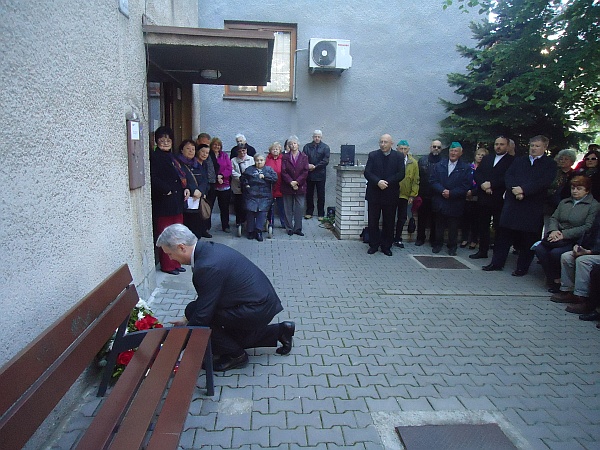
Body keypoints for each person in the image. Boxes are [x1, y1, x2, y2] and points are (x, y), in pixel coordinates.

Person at [156, 224, 295, 372]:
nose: (170, 259)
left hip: (256, 310)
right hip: (258, 304)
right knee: (196, 314)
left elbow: (203, 316)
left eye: (170, 254)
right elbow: (208, 296)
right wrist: (186, 320)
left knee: (202, 322)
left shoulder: (206, 265)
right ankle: (280, 331)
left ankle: (237, 356)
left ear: (181, 247)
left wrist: (176, 347)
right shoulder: (208, 249)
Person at [483, 135, 557, 276]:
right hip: (513, 204)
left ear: (545, 147)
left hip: (531, 206)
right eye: (532, 146)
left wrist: (524, 190)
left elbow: (543, 182)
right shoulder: (519, 161)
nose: (533, 148)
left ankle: (522, 268)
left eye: (537, 146)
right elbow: (509, 176)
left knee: (527, 239)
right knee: (503, 236)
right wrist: (515, 190)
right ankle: (496, 263)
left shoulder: (549, 164)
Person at [535, 175, 599, 292]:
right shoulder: (565, 202)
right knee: (540, 249)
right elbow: (554, 218)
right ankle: (554, 279)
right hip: (557, 236)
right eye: (573, 188)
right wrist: (554, 231)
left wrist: (564, 234)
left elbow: (588, 226)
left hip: (575, 238)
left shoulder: (593, 205)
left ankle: (560, 281)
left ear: (587, 190)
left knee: (556, 253)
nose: (574, 191)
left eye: (579, 188)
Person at [150, 126, 190, 275]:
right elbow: (153, 178)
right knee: (166, 235)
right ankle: (167, 265)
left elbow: (181, 176)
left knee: (177, 234)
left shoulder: (173, 157)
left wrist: (185, 188)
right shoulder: (155, 157)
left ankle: (176, 262)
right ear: (157, 141)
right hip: (164, 202)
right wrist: (166, 189)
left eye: (168, 139)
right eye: (162, 139)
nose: (165, 142)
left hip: (177, 202)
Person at [470, 136, 514, 259]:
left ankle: (497, 254)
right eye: (496, 144)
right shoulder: (487, 158)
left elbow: (508, 177)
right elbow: (478, 173)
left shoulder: (511, 161)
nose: (498, 147)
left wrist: (492, 185)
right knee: (482, 225)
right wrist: (483, 184)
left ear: (507, 146)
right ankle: (482, 251)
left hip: (499, 198)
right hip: (484, 197)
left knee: (498, 226)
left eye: (501, 144)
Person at [551, 210, 600, 315]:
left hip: (595, 252)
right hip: (590, 249)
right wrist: (578, 245)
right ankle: (568, 290)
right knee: (567, 257)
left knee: (583, 261)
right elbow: (588, 231)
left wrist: (589, 252)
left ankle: (582, 297)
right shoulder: (598, 213)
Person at [364, 134, 406, 256]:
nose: (383, 144)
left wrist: (387, 182)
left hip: (390, 194)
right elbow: (367, 172)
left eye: (385, 142)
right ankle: (374, 245)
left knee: (389, 221)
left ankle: (386, 246)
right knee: (373, 221)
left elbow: (401, 174)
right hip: (374, 194)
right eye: (381, 142)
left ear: (391, 143)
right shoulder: (373, 155)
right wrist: (378, 182)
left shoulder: (398, 156)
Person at [429, 142, 473, 255]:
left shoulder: (465, 168)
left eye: (455, 151)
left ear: (461, 153)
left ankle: (452, 247)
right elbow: (433, 181)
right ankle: (437, 244)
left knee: (453, 227)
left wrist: (452, 193)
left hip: (455, 202)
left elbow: (466, 185)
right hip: (440, 200)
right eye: (451, 151)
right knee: (439, 226)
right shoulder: (440, 165)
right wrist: (442, 191)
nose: (453, 153)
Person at [242, 153, 278, 241]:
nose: (259, 162)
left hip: (264, 195)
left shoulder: (269, 170)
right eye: (257, 160)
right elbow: (243, 178)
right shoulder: (249, 169)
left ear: (264, 161)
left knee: (261, 212)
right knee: (250, 211)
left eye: (261, 160)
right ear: (254, 161)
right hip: (251, 194)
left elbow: (275, 179)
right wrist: (246, 185)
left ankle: (258, 231)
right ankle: (250, 231)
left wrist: (265, 176)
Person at [178, 139, 209, 240]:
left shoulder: (197, 164)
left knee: (197, 227)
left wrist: (200, 190)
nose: (191, 151)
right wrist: (192, 190)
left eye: (193, 149)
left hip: (198, 200)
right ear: (182, 150)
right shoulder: (178, 164)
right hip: (186, 201)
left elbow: (205, 180)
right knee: (187, 228)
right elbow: (181, 180)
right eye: (188, 149)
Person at [415, 140, 443, 246]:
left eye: (438, 147)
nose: (436, 149)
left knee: (435, 219)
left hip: (437, 195)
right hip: (423, 194)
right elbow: (417, 178)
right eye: (434, 146)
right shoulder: (422, 160)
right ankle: (420, 238)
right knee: (421, 218)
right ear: (430, 147)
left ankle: (433, 240)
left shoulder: (444, 162)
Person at [281, 135, 309, 236]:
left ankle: (298, 228)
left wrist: (297, 182)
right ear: (288, 145)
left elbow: (305, 171)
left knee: (299, 207)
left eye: (295, 143)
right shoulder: (285, 157)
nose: (293, 145)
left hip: (300, 186)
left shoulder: (304, 156)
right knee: (288, 208)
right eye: (291, 144)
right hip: (287, 185)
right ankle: (289, 228)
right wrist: (291, 182)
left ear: (298, 144)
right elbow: (283, 171)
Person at [460, 146, 488, 250]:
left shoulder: (485, 169)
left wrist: (473, 192)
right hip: (466, 196)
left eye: (483, 155)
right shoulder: (469, 167)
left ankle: (474, 240)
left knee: (476, 220)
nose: (480, 157)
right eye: (478, 155)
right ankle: (464, 238)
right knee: (465, 219)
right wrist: (467, 191)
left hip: (478, 196)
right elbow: (463, 179)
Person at [544, 149, 577, 233]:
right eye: (561, 159)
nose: (563, 161)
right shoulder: (553, 172)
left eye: (566, 159)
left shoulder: (575, 174)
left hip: (566, 206)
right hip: (550, 204)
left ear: (572, 162)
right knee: (548, 227)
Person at [394, 140, 419, 248]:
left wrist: (413, 195)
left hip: (405, 195)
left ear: (408, 149)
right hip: (392, 193)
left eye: (405, 149)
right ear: (397, 149)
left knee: (402, 217)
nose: (403, 151)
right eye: (401, 148)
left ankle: (398, 238)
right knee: (389, 216)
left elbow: (415, 180)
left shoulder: (413, 162)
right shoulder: (393, 160)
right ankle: (388, 237)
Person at [302, 130, 330, 220]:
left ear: (321, 137)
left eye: (318, 136)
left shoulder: (325, 147)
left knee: (321, 195)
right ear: (312, 137)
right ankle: (309, 212)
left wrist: (316, 167)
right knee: (309, 194)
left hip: (320, 174)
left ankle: (321, 214)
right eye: (315, 136)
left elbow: (326, 161)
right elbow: (303, 159)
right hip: (309, 174)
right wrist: (308, 165)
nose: (317, 138)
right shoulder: (307, 147)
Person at [207, 137, 233, 232]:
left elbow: (229, 168)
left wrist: (221, 176)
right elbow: (208, 169)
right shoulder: (208, 155)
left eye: (218, 145)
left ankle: (225, 226)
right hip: (212, 185)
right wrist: (216, 177)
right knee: (209, 207)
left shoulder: (224, 155)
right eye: (215, 144)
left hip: (224, 184)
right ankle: (207, 227)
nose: (216, 146)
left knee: (224, 207)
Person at [231, 146, 255, 230]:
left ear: (246, 150)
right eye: (240, 151)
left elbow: (253, 170)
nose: (242, 153)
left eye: (243, 150)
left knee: (247, 204)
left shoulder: (251, 159)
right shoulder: (233, 160)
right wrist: (241, 178)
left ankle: (247, 221)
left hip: (248, 186)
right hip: (238, 185)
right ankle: (238, 221)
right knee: (238, 204)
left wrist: (248, 178)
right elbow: (232, 171)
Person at [265, 142, 288, 229]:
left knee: (282, 207)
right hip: (270, 187)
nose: (275, 150)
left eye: (277, 149)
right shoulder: (267, 159)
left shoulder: (283, 159)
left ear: (280, 151)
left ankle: (283, 223)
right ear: (270, 151)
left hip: (281, 186)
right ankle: (270, 222)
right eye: (273, 149)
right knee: (270, 207)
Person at [196, 144, 214, 238]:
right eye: (203, 152)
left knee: (204, 211)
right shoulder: (194, 164)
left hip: (205, 191)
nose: (204, 154)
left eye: (207, 153)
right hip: (196, 192)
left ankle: (204, 230)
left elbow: (206, 179)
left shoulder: (205, 164)